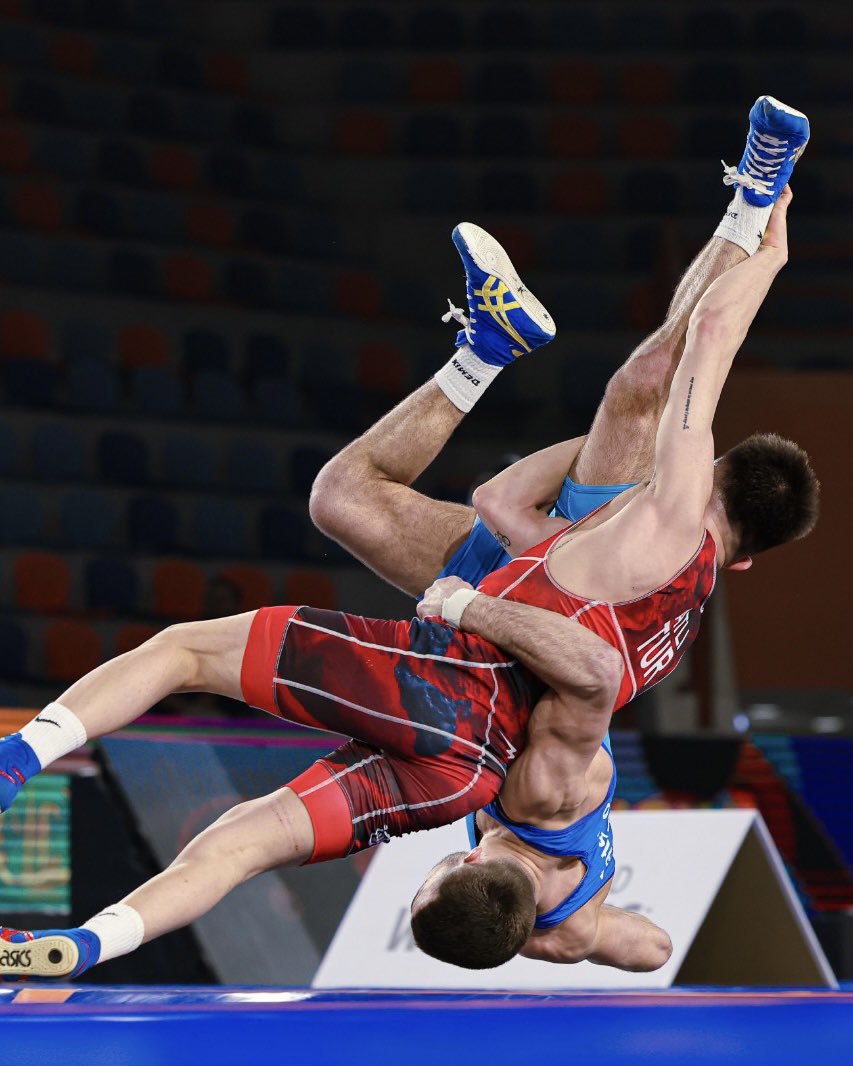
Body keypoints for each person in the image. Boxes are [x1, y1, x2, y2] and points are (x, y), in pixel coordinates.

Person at [0, 102, 816, 980]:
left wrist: (764, 248)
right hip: (494, 660)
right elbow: (638, 920)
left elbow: (588, 669)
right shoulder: (553, 819)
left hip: (473, 662)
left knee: (645, 381)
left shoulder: (658, 547)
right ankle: (87, 944)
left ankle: (15, 761)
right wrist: (560, 935)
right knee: (343, 501)